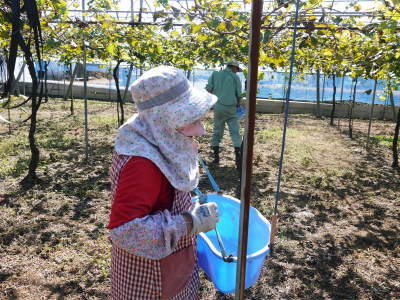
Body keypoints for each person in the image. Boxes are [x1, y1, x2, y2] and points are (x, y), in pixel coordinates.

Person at [107, 66, 219, 299]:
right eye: (190, 118)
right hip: (151, 280)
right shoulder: (143, 164)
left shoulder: (153, 135)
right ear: (164, 120)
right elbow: (126, 231)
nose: (201, 128)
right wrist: (190, 222)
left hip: (171, 265)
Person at [206, 60, 243, 168]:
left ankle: (216, 159)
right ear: (234, 68)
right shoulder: (235, 77)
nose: (237, 72)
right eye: (237, 70)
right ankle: (238, 159)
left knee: (217, 132)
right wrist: (238, 106)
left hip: (218, 107)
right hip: (231, 109)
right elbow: (239, 95)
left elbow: (208, 89)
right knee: (235, 133)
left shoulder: (215, 74)